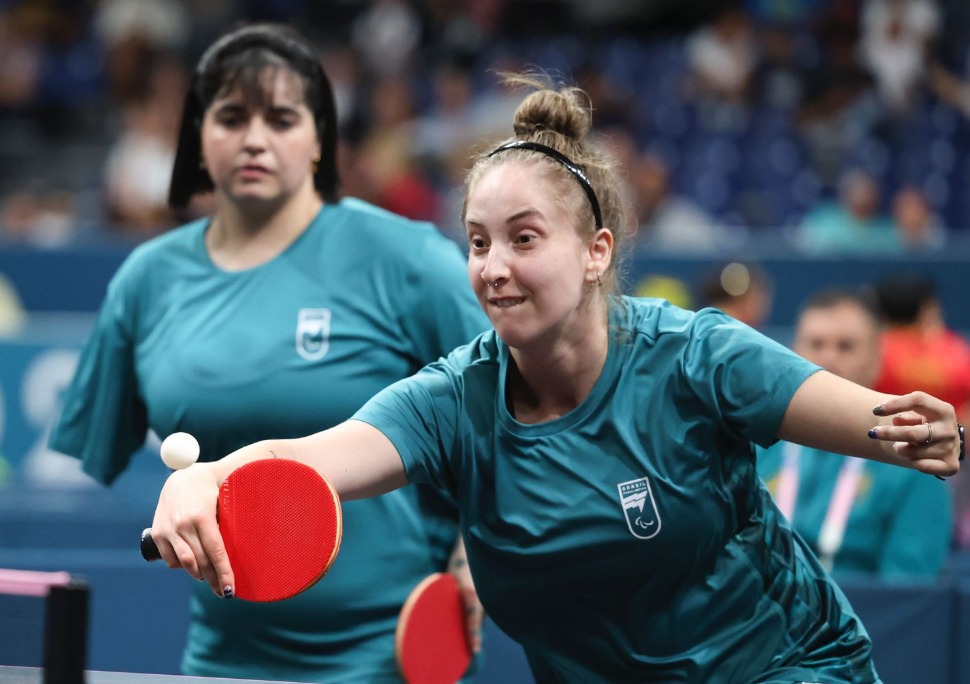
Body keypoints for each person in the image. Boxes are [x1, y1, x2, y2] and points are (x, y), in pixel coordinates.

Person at [147, 73, 963, 683]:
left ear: (596, 251)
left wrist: (923, 432)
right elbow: (315, 459)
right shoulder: (452, 403)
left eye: (523, 238)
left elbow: (888, 422)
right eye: (476, 242)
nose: (493, 268)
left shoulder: (696, 357)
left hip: (784, 670)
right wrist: (208, 481)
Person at [48, 23, 489, 683]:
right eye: (230, 117)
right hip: (222, 660)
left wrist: (471, 552)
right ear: (198, 135)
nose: (255, 138)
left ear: (319, 139)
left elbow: (504, 418)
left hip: (388, 654)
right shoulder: (147, 282)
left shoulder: (409, 261)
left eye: (282, 118)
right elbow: (96, 465)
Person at [757, 289, 952, 582]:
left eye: (845, 346)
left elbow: (907, 600)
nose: (827, 358)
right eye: (815, 344)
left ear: (876, 360)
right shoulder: (754, 446)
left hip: (860, 622)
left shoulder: (912, 463)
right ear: (791, 355)